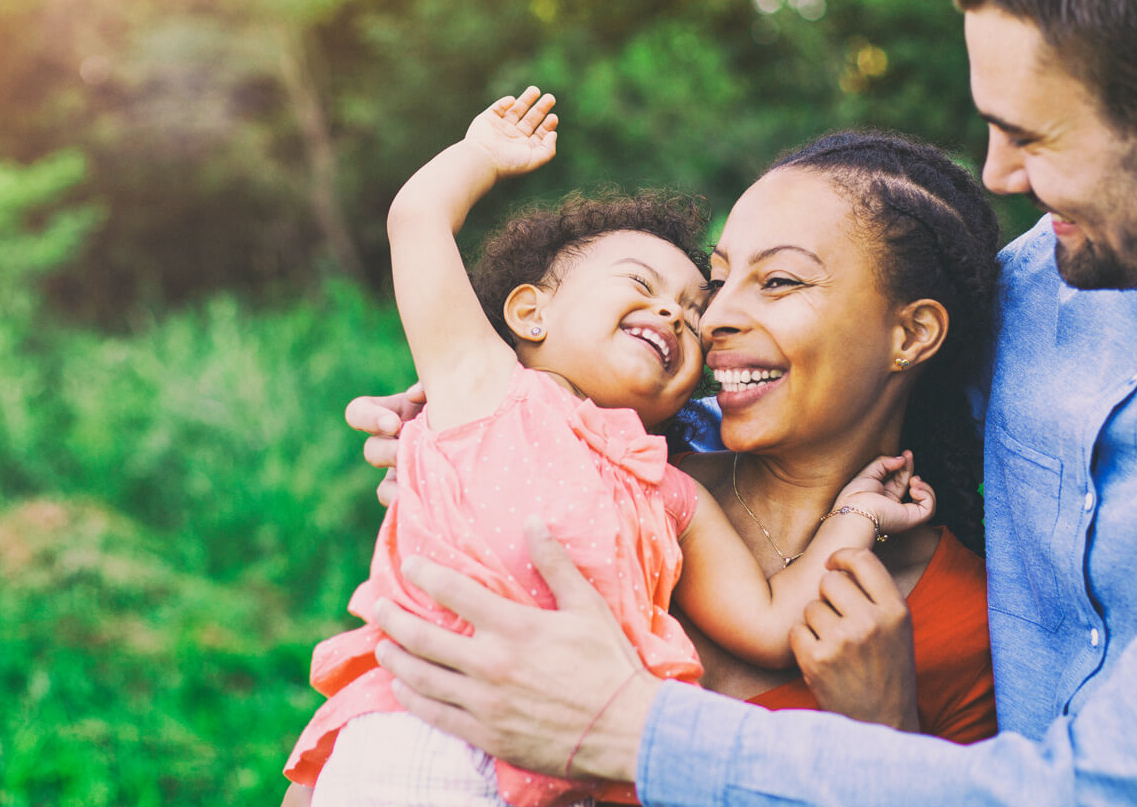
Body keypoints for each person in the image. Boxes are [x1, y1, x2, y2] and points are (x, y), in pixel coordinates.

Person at [358, 0, 1137, 803]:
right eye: (717, 278)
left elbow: (1106, 786)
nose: (1000, 173)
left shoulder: (945, 625)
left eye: (1033, 136)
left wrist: (878, 730)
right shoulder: (1071, 264)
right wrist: (507, 401)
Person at [285, 89, 933, 806]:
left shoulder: (667, 490)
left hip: (571, 777)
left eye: (692, 312)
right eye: (639, 284)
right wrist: (480, 156)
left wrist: (856, 515)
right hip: (428, 729)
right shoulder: (482, 388)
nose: (674, 314)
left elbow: (772, 624)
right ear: (530, 312)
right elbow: (416, 219)